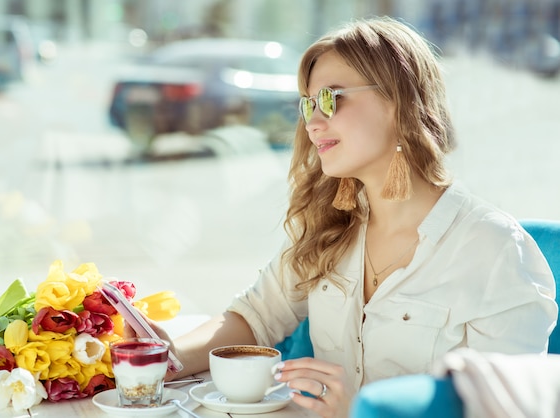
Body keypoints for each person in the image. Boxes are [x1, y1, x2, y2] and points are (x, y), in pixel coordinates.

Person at [136, 16, 558, 418]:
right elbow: (256, 317)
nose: (313, 123)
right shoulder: (327, 226)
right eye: (306, 106)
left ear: (398, 101)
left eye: (329, 99)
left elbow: (506, 408)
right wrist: (161, 354)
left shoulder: (496, 251)